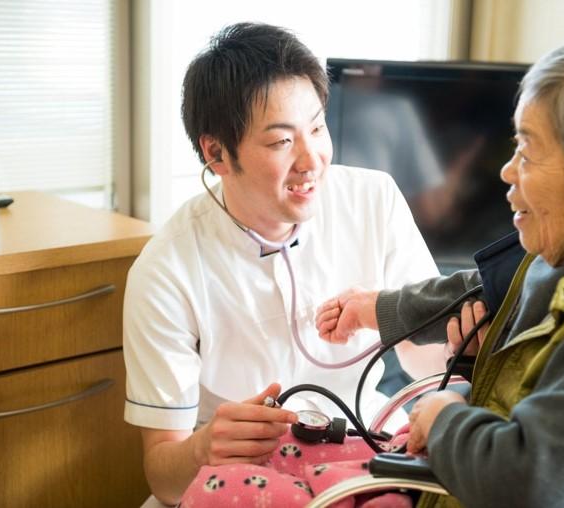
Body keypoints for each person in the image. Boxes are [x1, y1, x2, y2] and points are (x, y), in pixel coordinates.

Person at [316, 29, 564, 507]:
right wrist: (380, 311)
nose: (507, 172)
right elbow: (494, 289)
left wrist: (448, 416)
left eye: (528, 153)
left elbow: (536, 487)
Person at [122, 22, 444, 506]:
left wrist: (389, 311)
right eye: (280, 142)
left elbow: (435, 362)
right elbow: (163, 476)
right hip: (237, 475)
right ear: (216, 154)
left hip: (365, 442)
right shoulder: (166, 269)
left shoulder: (374, 200)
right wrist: (201, 449)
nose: (312, 160)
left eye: (316, 127)